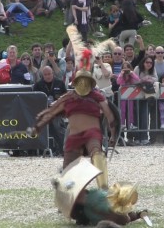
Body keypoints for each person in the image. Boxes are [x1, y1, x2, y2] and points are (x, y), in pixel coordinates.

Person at [31, 27, 117, 189]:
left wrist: (113, 134)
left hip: (90, 133)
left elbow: (110, 116)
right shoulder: (70, 97)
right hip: (75, 135)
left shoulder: (95, 96)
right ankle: (68, 192)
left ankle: (103, 189)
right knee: (69, 167)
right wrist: (38, 126)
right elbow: (49, 112)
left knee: (96, 155)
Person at [52, 158, 149, 226]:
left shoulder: (95, 198)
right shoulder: (90, 202)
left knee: (124, 214)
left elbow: (120, 216)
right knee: (124, 215)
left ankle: (138, 214)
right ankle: (138, 214)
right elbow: (122, 218)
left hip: (108, 211)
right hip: (104, 211)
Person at [33, 66, 67, 154]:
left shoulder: (60, 83)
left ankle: (64, 149)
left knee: (57, 127)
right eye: (45, 74)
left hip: (57, 112)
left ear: (53, 73)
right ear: (42, 75)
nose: (48, 76)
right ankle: (40, 151)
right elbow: (33, 99)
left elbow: (66, 98)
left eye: (49, 74)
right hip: (43, 112)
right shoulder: (38, 85)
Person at [117, 62, 140, 130]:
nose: (126, 69)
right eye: (124, 67)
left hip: (130, 94)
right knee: (123, 110)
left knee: (130, 109)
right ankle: (122, 123)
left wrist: (131, 73)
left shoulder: (131, 74)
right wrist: (121, 74)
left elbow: (137, 79)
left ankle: (130, 123)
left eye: (127, 67)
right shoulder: (121, 75)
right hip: (123, 95)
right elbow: (118, 82)